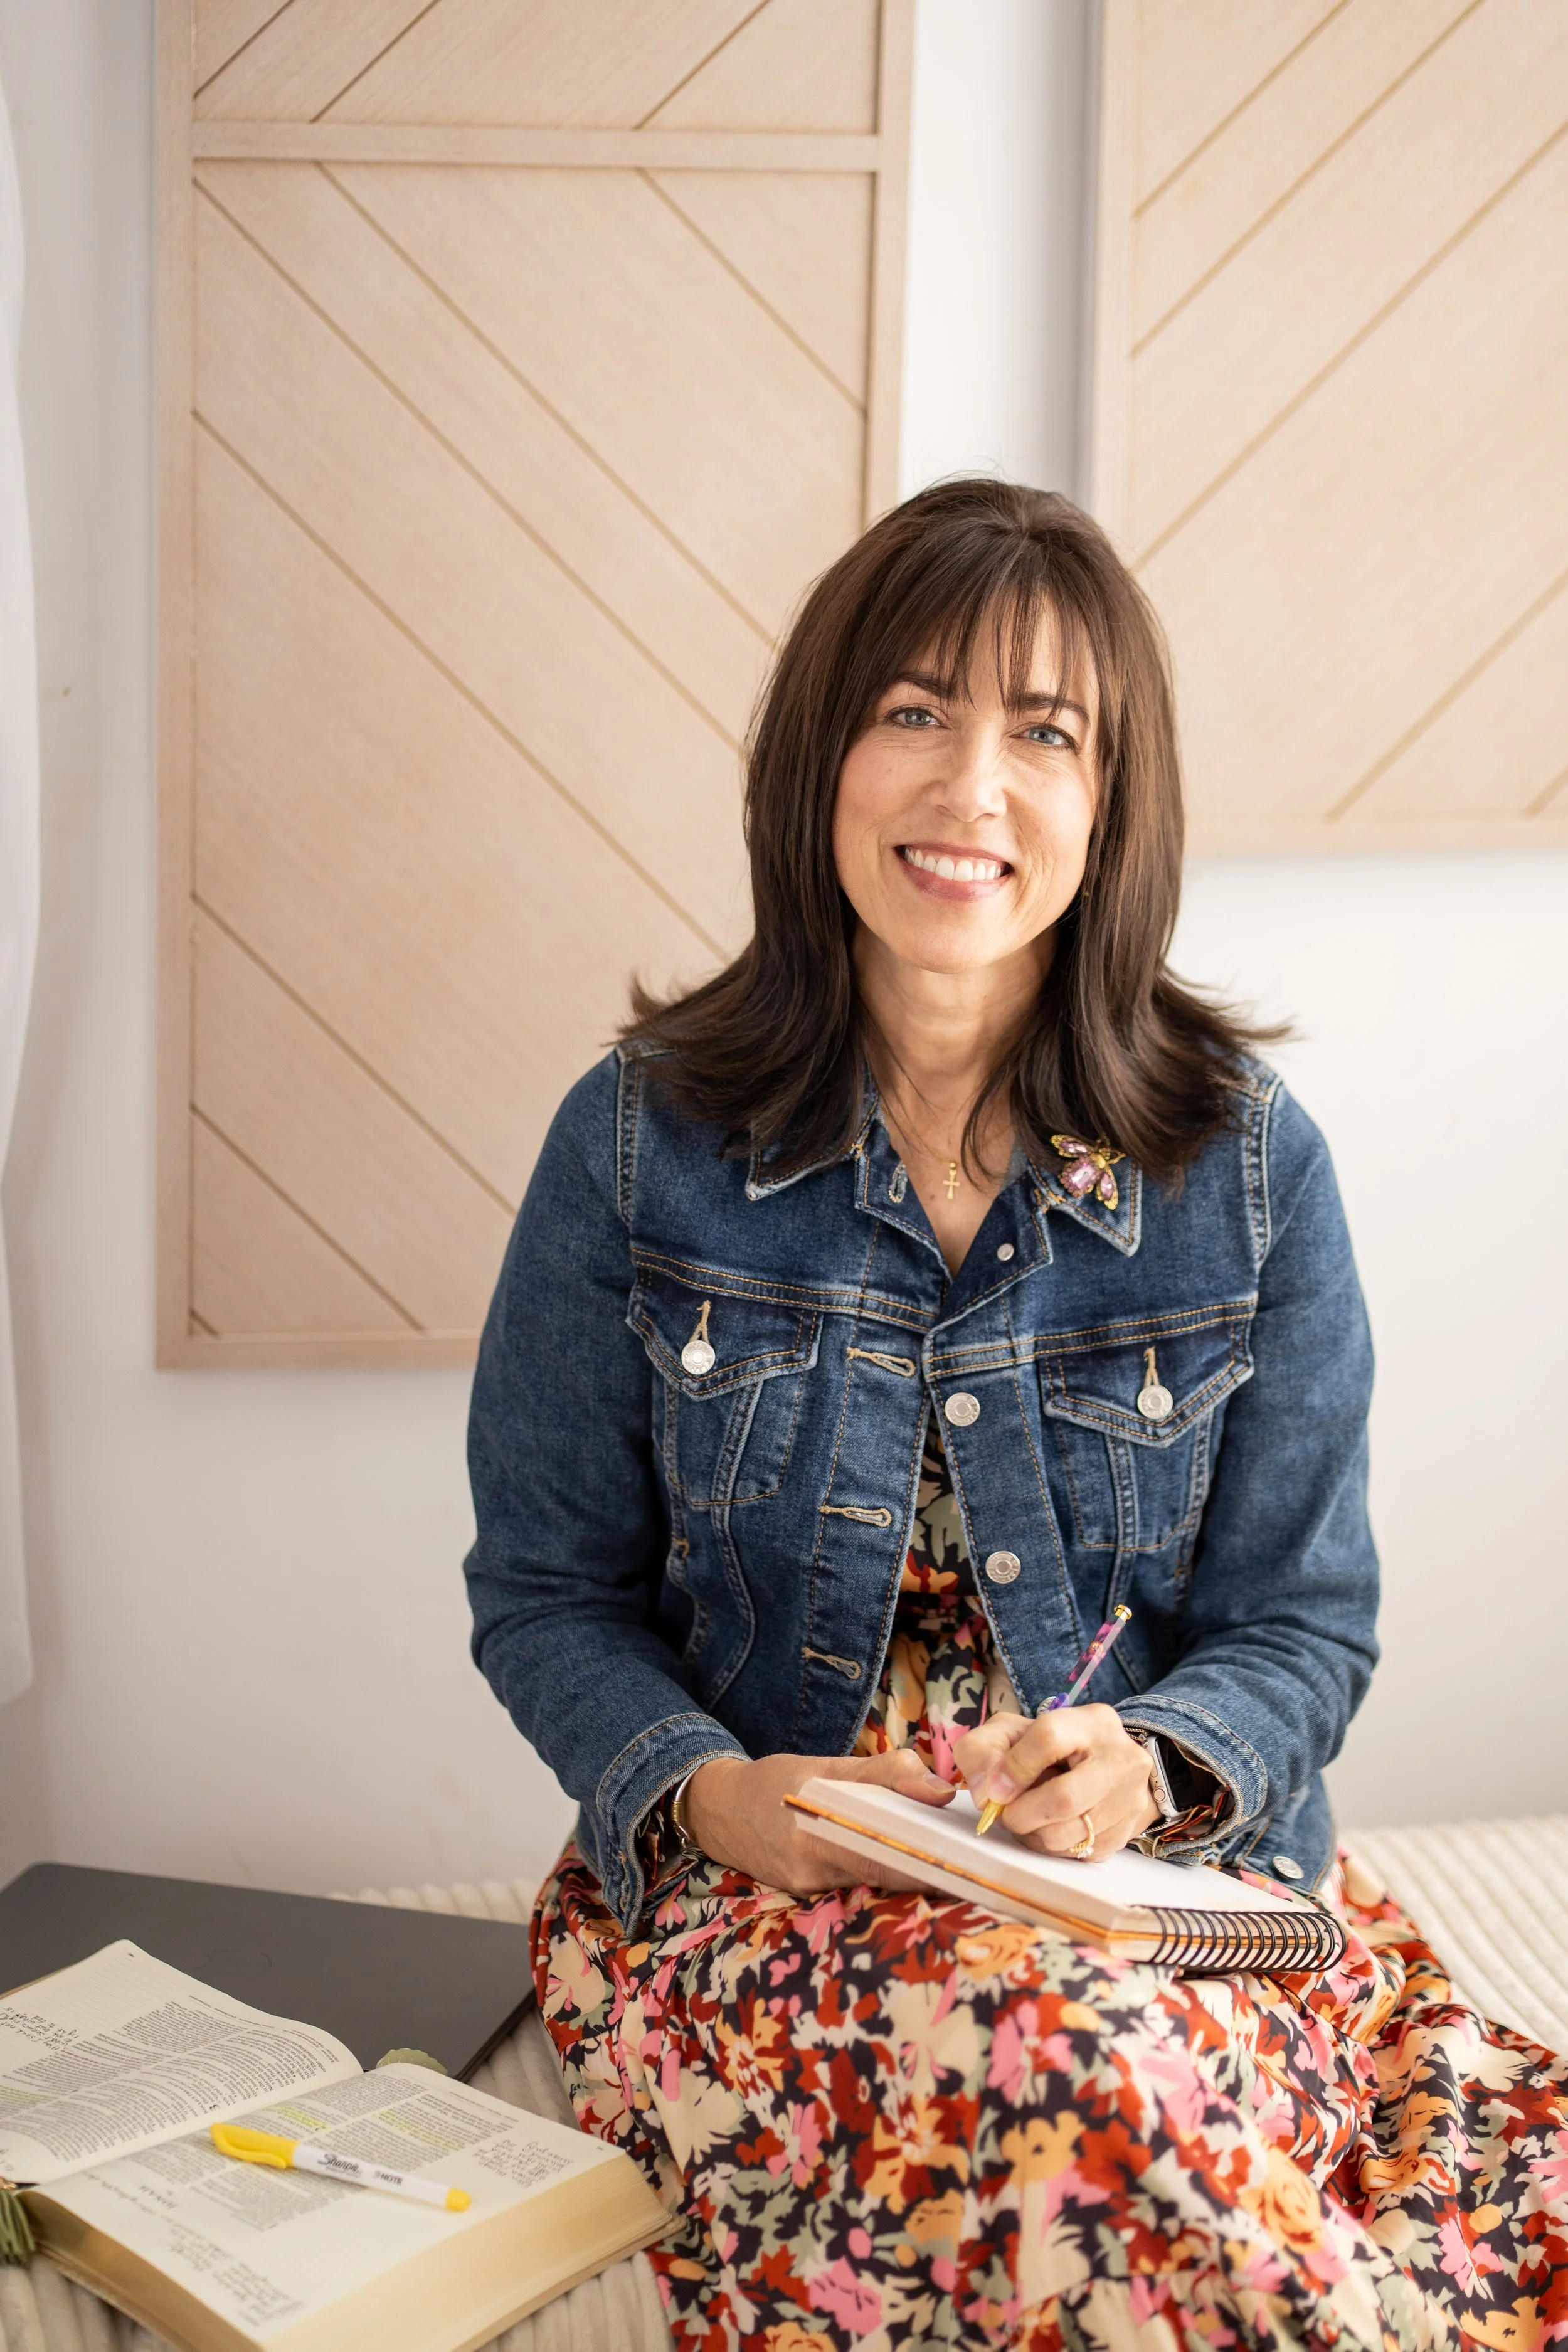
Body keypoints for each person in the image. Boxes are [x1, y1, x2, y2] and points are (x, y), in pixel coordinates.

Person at [465, 481, 1567, 2351]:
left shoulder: (1247, 1168)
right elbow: (545, 1593)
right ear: (820, 758)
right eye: (912, 711)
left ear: (1107, 803)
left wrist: (1149, 1760)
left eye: (1042, 732)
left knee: (1351, 2156)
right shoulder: (637, 1143)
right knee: (1073, 2097)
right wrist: (720, 1795)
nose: (970, 785)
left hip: (1144, 1882)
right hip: (766, 1901)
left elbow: (1308, 1619)